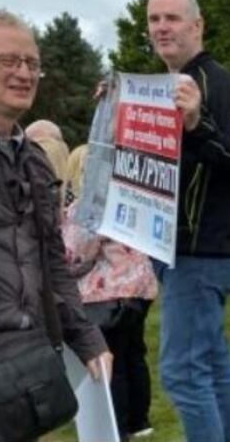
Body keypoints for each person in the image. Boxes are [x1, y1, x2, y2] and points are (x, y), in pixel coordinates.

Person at [0, 8, 111, 440]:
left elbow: (51, 261)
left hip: (19, 371)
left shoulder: (32, 159)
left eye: (32, 63)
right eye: (8, 61)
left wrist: (86, 337)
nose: (24, 73)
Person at [147, 0, 230, 442]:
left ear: (198, 25)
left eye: (172, 18)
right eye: (154, 19)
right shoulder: (167, 87)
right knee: (210, 361)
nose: (161, 27)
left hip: (204, 250)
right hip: (177, 245)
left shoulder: (219, 84)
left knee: (182, 373)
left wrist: (198, 124)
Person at [62, 145, 158, 440]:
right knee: (134, 354)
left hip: (106, 292)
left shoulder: (90, 203)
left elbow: (76, 253)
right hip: (141, 286)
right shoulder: (134, 196)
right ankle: (140, 419)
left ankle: (118, 423)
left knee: (108, 359)